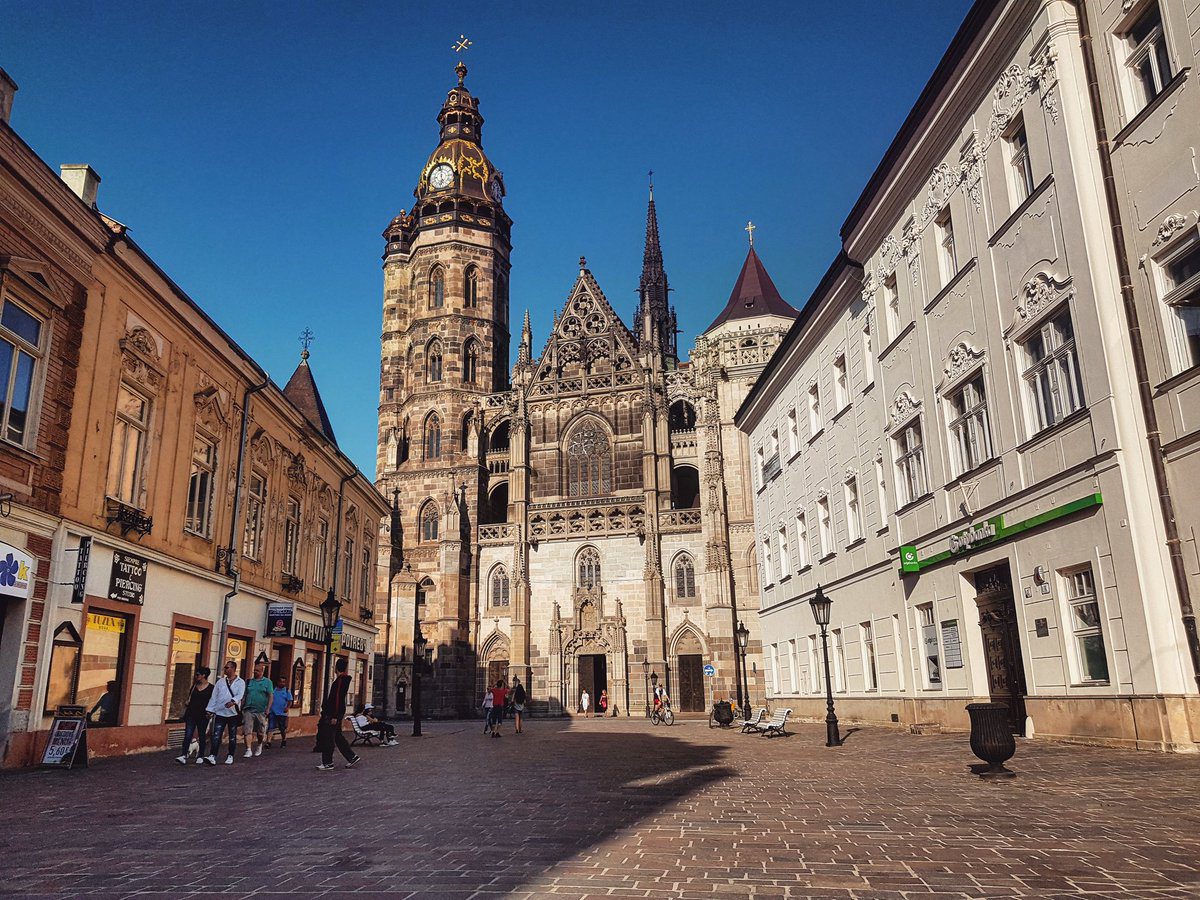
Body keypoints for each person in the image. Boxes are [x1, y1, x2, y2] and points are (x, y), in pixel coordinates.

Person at [316, 657, 359, 771]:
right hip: (336, 713)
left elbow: (337, 698)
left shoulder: (340, 681)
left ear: (336, 668)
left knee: (328, 738)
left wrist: (335, 715)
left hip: (333, 714)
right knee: (338, 737)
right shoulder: (343, 680)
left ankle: (328, 762)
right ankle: (351, 756)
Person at [205, 661, 245, 765]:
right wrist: (210, 710)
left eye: (227, 667)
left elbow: (240, 695)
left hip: (233, 714)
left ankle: (230, 755)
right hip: (220, 712)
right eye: (225, 667)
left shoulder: (240, 682)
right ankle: (212, 755)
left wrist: (233, 701)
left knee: (232, 735)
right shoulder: (220, 682)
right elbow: (214, 697)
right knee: (216, 734)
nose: (225, 669)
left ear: (233, 668)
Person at [176, 667, 212, 764]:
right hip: (191, 714)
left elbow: (212, 701)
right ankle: (183, 755)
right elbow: (189, 699)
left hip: (203, 715)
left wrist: (210, 712)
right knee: (188, 734)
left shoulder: (211, 688)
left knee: (202, 735)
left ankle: (201, 755)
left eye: (197, 675)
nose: (196, 677)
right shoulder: (194, 686)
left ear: (204, 675)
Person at [242, 661, 273, 758]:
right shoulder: (249, 682)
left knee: (260, 732)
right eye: (254, 670)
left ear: (262, 672)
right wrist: (241, 706)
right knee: (247, 730)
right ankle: (248, 749)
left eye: (257, 671)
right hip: (248, 709)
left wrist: (268, 708)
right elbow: (245, 695)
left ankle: (259, 745)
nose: (255, 672)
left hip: (261, 710)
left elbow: (270, 696)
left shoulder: (267, 682)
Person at [266, 677, 292, 749]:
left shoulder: (286, 691)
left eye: (284, 682)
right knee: (271, 727)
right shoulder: (273, 690)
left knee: (282, 728)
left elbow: (290, 701)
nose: (282, 683)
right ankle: (268, 742)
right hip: (273, 711)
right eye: (281, 682)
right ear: (277, 682)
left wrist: (287, 708)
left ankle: (284, 739)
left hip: (282, 713)